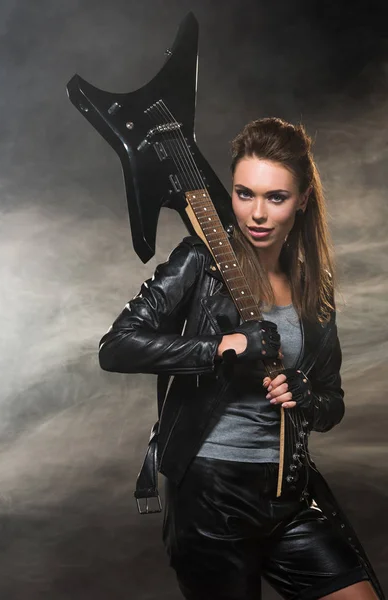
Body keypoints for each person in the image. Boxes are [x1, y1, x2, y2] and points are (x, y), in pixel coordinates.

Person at [98, 118, 383, 600]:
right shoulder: (201, 260)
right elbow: (117, 345)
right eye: (244, 193)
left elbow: (332, 402)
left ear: (303, 201)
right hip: (210, 496)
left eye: (276, 197)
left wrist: (306, 395)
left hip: (287, 494)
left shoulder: (315, 288)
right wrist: (221, 346)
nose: (257, 214)